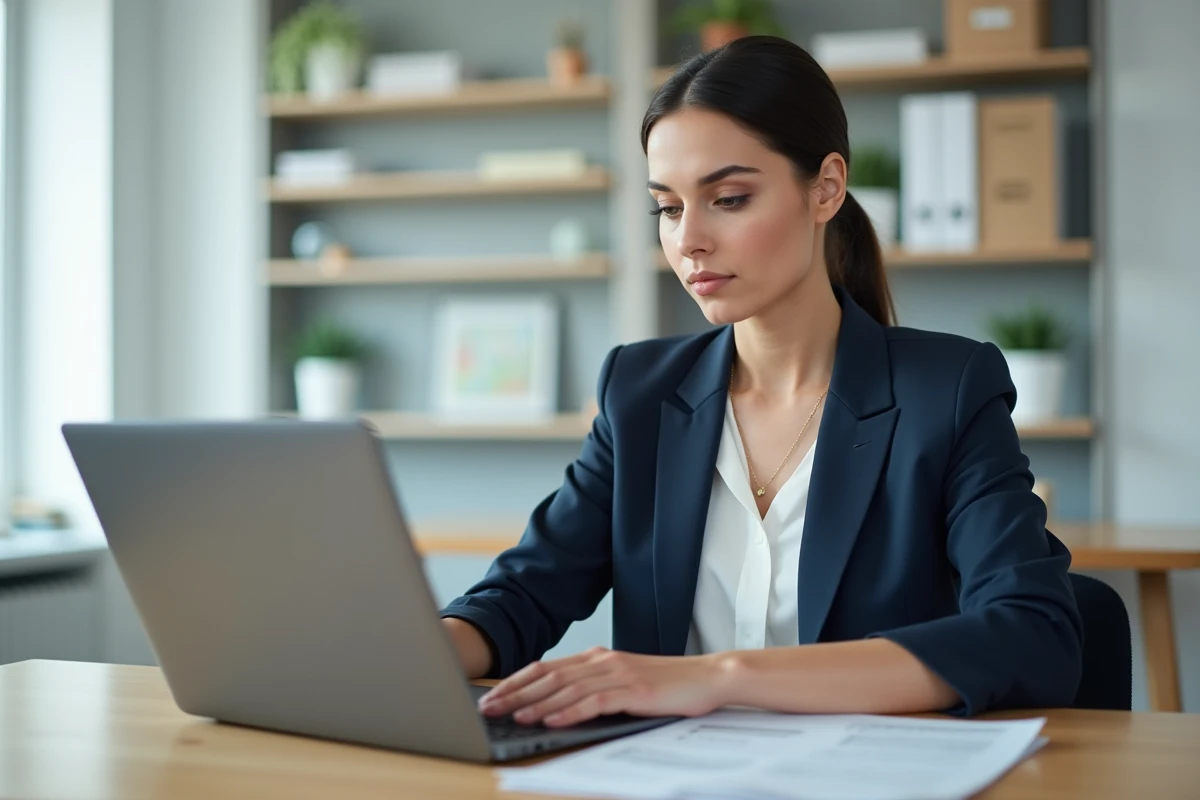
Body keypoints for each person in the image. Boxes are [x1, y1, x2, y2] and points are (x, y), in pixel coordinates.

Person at [440, 36, 1082, 728]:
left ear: (826, 188)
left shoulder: (946, 391)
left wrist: (721, 677)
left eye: (729, 198)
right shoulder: (641, 392)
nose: (689, 240)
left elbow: (1032, 633)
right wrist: (410, 655)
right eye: (668, 206)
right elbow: (521, 597)